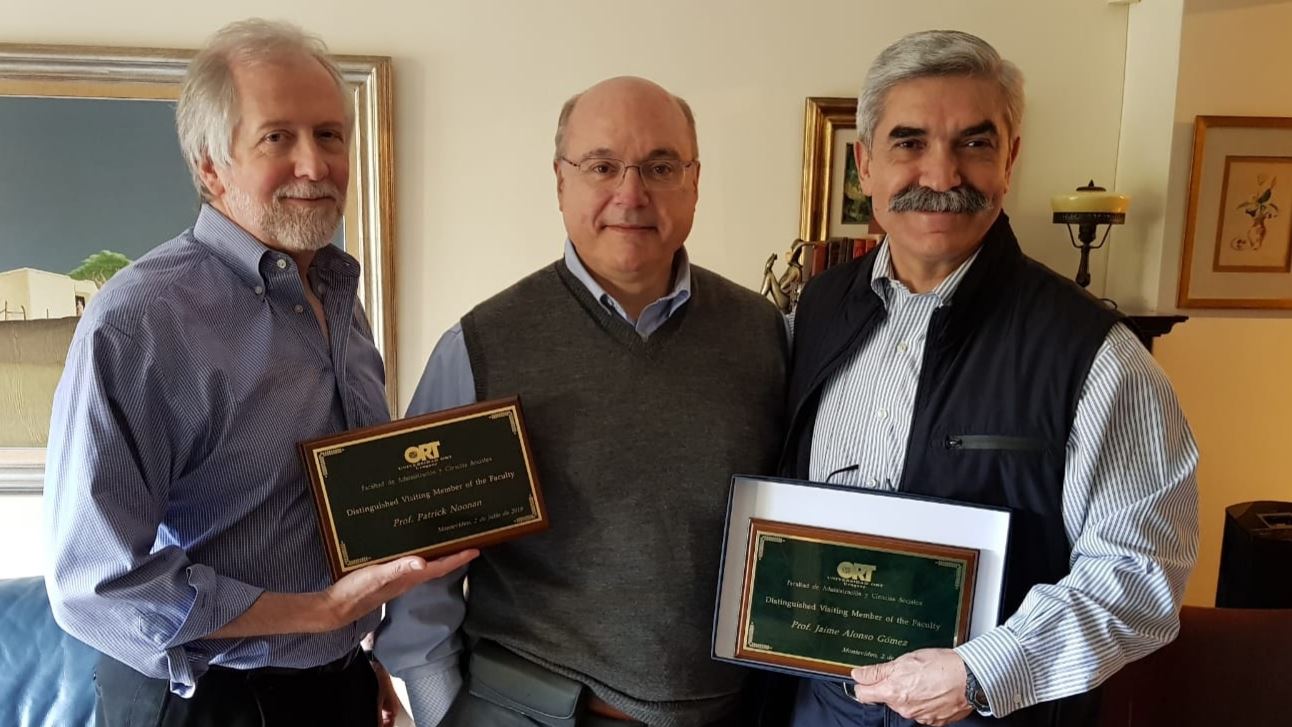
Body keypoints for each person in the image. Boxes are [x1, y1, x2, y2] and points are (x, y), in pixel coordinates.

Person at [43, 19, 475, 726]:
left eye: (330, 135)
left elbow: (318, 522)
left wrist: (347, 650)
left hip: (329, 683)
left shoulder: (336, 294)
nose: (314, 163)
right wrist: (320, 612)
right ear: (211, 165)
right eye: (278, 138)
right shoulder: (141, 318)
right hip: (203, 700)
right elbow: (95, 584)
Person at [782, 30, 1199, 727]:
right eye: (909, 142)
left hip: (992, 713)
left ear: (1010, 160)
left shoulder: (1095, 353)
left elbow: (1140, 574)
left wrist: (980, 672)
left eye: (974, 144)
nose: (942, 176)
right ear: (865, 164)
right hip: (822, 704)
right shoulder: (815, 313)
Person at [375, 76, 788, 726]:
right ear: (561, 181)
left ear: (696, 180)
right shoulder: (482, 345)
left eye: (660, 166)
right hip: (529, 710)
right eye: (602, 166)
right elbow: (419, 577)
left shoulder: (766, 337)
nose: (631, 193)